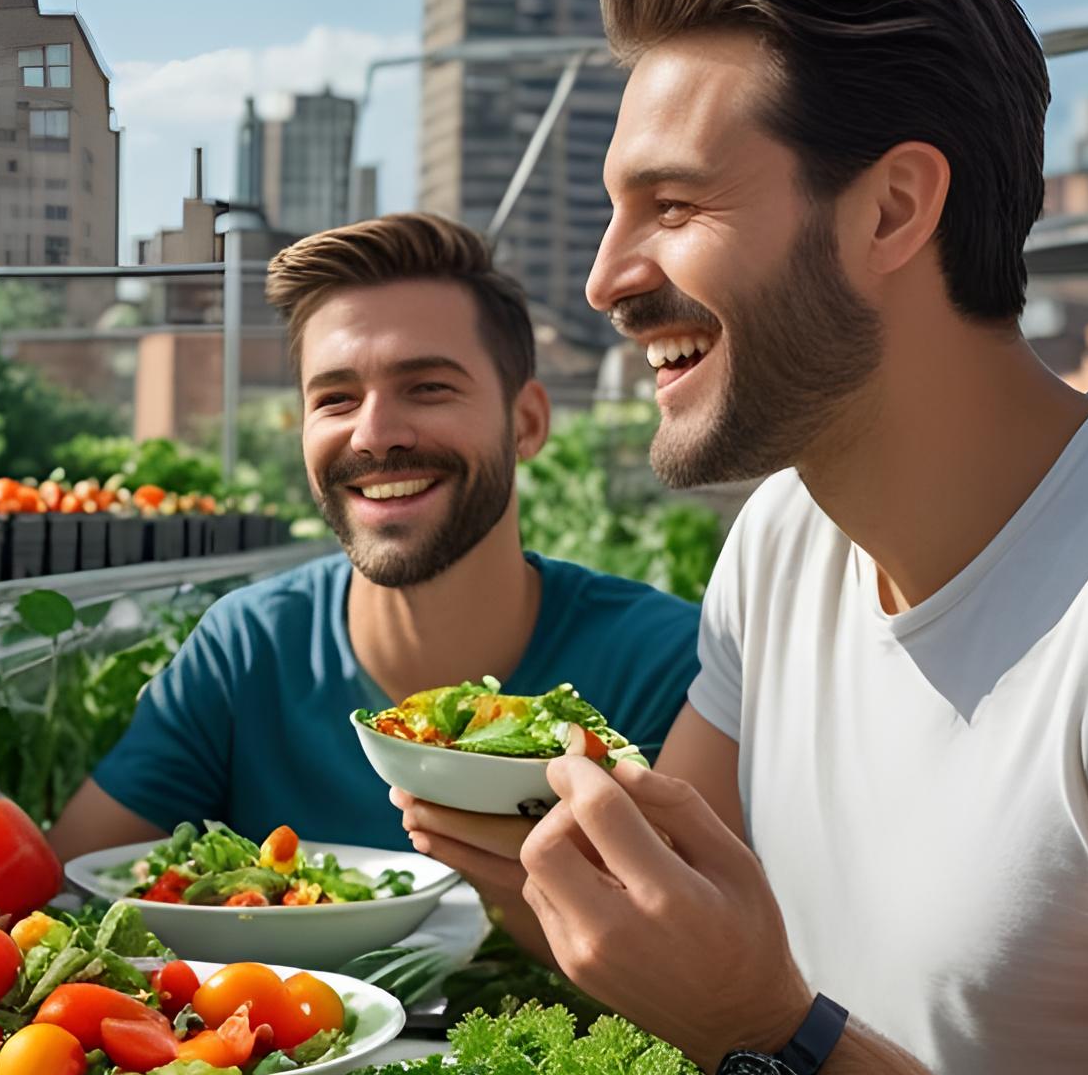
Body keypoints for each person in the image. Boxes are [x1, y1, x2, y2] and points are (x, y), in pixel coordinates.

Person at [398, 0, 1088, 1075]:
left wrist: (775, 1044)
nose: (608, 277)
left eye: (671, 204)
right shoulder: (783, 543)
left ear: (891, 212)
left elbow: (749, 1025)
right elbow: (676, 960)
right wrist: (557, 896)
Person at [47, 211, 701, 862]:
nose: (374, 433)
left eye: (427, 388)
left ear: (526, 422)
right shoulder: (248, 650)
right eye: (335, 399)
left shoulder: (662, 664)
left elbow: (699, 942)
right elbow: (72, 886)